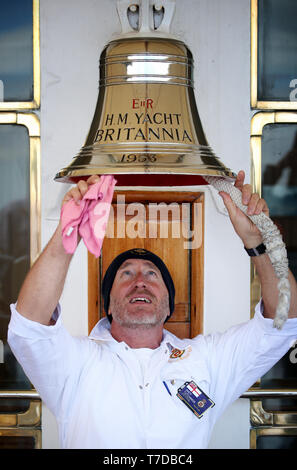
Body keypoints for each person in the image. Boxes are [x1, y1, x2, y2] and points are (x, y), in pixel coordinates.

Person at [7, 171, 297, 449]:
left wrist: (259, 242)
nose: (140, 283)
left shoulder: (207, 361)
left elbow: (285, 321)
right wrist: (67, 232)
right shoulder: (76, 362)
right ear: (108, 304)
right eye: (126, 274)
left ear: (169, 304)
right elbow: (29, 326)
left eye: (151, 275)